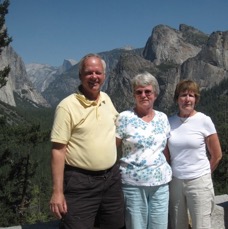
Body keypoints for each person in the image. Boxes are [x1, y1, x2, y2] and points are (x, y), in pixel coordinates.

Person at [49, 53, 125, 229]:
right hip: (80, 183)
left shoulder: (106, 99)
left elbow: (116, 129)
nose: (94, 77)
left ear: (104, 76)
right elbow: (58, 150)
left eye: (98, 73)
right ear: (80, 76)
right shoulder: (66, 107)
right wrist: (57, 192)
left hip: (111, 180)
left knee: (116, 225)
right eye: (89, 73)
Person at [115, 71, 172, 229]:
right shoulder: (124, 118)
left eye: (148, 91)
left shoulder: (163, 118)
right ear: (133, 95)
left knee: (159, 226)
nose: (144, 95)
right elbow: (113, 148)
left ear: (155, 94)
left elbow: (165, 149)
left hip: (160, 184)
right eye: (139, 92)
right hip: (133, 185)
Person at [165, 79, 222, 229]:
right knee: (178, 225)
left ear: (196, 99)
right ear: (177, 99)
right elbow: (166, 155)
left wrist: (203, 174)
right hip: (176, 182)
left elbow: (217, 155)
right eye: (183, 95)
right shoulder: (169, 122)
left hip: (199, 182)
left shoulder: (204, 120)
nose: (187, 99)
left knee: (201, 225)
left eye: (191, 95)